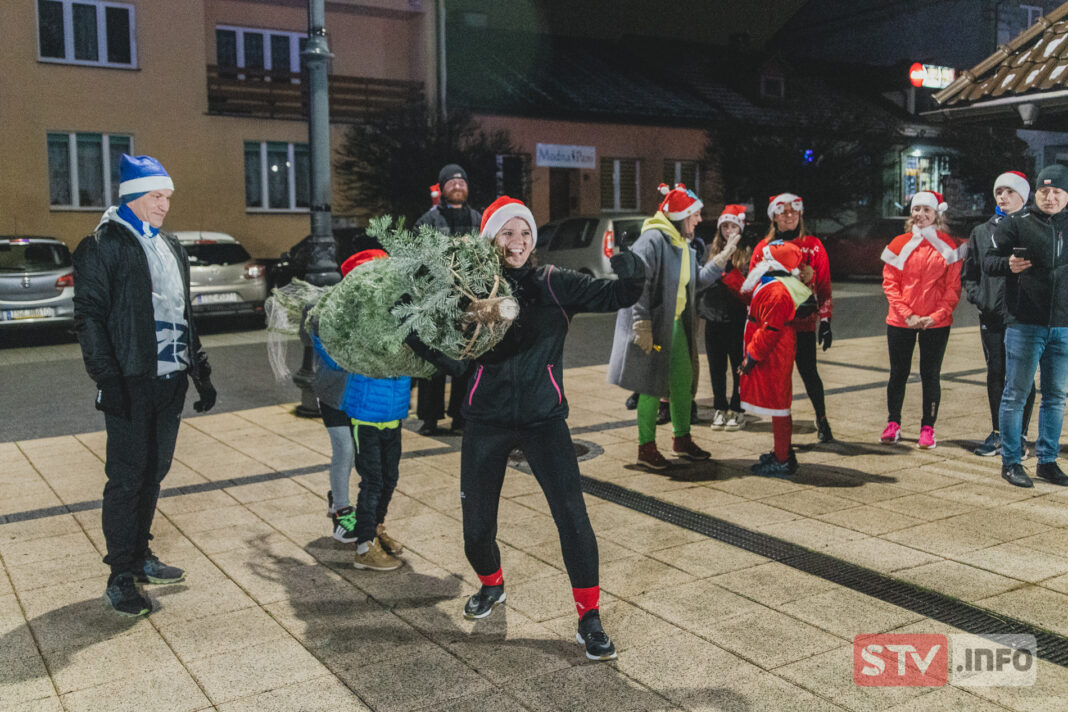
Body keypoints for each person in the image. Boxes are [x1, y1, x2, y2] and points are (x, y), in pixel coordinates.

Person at [457, 196, 644, 661]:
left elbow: (615, 296)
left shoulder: (553, 283)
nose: (517, 241)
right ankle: (492, 584)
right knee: (476, 529)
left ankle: (589, 618)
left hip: (544, 420)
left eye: (524, 232)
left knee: (572, 518)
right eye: (507, 233)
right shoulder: (471, 292)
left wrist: (631, 272)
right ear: (491, 240)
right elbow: (449, 353)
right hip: (485, 421)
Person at [73, 154, 216, 617]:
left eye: (168, 197)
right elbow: (89, 317)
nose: (164, 205)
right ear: (133, 197)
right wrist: (108, 380)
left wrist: (201, 372)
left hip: (170, 380)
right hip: (130, 379)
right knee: (127, 477)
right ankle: (120, 574)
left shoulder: (171, 245)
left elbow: (184, 314)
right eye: (156, 196)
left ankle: (140, 554)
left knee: (155, 470)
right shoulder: (103, 245)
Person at [609, 184, 738, 470]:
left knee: (682, 382)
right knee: (650, 385)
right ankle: (646, 448)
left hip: (677, 324)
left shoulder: (681, 242)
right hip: (655, 326)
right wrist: (641, 322)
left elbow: (696, 280)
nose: (699, 220)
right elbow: (639, 283)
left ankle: (682, 439)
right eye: (695, 214)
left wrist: (721, 259)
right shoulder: (652, 240)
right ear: (680, 215)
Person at [308, 249, 410, 569]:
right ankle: (342, 510)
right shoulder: (334, 313)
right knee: (346, 451)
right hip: (338, 396)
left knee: (380, 471)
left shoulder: (389, 311)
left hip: (370, 402)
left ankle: (373, 529)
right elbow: (332, 354)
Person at [984, 164, 1068, 489]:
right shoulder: (1016, 223)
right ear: (1036, 193)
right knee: (1015, 395)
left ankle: (1047, 461)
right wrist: (1007, 264)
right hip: (1024, 323)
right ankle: (1011, 462)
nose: (1050, 197)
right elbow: (989, 261)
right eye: (1045, 191)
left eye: (1057, 191)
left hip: (1063, 326)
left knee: (1056, 396)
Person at [879, 191, 965, 449]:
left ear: (937, 214)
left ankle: (928, 427)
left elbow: (953, 288)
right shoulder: (899, 243)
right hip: (900, 320)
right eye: (917, 209)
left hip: (935, 323)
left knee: (930, 375)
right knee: (898, 374)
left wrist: (935, 316)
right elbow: (890, 284)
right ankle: (893, 423)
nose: (921, 215)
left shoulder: (949, 246)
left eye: (927, 210)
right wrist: (908, 314)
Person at [962, 171, 1036, 457]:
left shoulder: (1034, 228)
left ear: (1023, 196)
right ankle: (997, 432)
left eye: (1009, 192)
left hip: (1025, 317)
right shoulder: (982, 231)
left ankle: (1020, 434)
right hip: (992, 315)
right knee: (996, 371)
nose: (1003, 197)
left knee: (1023, 375)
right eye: (999, 192)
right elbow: (970, 272)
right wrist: (980, 298)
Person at [749, 193, 834, 442]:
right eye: (783, 212)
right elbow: (753, 289)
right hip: (776, 327)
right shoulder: (763, 248)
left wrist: (826, 321)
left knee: (809, 373)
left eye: (793, 211)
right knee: (779, 380)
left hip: (803, 324)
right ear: (773, 217)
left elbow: (824, 286)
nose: (789, 216)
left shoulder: (813, 245)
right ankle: (782, 436)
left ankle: (822, 419)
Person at [413, 164, 482, 435]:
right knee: (433, 361)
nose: (457, 186)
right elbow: (415, 258)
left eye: (462, 182)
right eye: (451, 182)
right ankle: (429, 418)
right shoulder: (428, 221)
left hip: (469, 301)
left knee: (466, 360)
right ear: (442, 188)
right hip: (436, 301)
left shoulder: (478, 219)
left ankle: (460, 418)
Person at [738, 241, 816, 476]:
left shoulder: (777, 292)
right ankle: (782, 451)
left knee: (779, 405)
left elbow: (769, 331)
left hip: (774, 354)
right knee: (777, 403)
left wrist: (751, 357)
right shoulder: (775, 284)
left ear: (773, 265)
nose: (760, 262)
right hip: (776, 350)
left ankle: (782, 458)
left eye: (765, 258)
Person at [699, 204, 751, 431]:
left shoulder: (746, 252)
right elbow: (701, 280)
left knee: (739, 367)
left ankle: (738, 409)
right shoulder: (709, 251)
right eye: (725, 226)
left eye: (733, 226)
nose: (729, 231)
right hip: (713, 319)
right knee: (716, 368)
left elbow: (749, 286)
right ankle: (719, 408)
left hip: (737, 320)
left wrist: (730, 276)